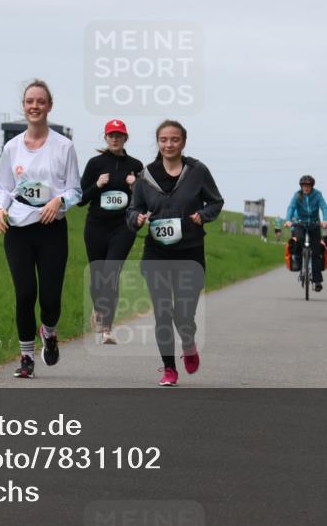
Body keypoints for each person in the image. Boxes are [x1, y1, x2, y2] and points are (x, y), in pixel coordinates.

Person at [0, 79, 81, 379]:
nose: (34, 106)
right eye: (30, 101)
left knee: (51, 299)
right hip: (18, 229)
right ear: (23, 106)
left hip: (51, 230)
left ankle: (50, 331)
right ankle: (26, 358)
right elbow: (4, 188)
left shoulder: (64, 146)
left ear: (49, 106)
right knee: (25, 293)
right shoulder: (12, 147)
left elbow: (76, 192)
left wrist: (59, 201)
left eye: (40, 102)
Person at [126, 120, 224, 386]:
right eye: (164, 140)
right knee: (162, 312)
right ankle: (169, 368)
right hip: (156, 252)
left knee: (183, 314)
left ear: (183, 142)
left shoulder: (197, 171)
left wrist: (202, 215)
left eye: (174, 140)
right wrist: (136, 219)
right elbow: (133, 209)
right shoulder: (146, 176)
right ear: (158, 143)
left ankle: (189, 342)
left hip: (190, 252)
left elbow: (216, 201)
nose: (169, 144)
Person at [79, 119, 144, 345]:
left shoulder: (136, 165)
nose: (115, 139)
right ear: (105, 138)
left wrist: (136, 185)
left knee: (111, 272)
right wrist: (96, 185)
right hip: (96, 226)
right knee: (98, 275)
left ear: (126, 138)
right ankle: (98, 308)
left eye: (119, 135)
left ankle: (107, 328)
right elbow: (80, 199)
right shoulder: (95, 163)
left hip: (123, 227)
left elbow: (146, 200)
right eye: (111, 135)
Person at [283, 175, 327, 292]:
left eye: (308, 186)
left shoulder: (317, 194)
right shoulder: (297, 195)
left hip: (314, 225)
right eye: (304, 186)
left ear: (312, 187)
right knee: (298, 239)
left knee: (316, 252)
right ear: (301, 186)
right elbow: (291, 207)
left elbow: (324, 207)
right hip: (300, 224)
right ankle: (297, 259)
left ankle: (317, 281)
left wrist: (325, 220)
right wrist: (288, 220)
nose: (306, 188)